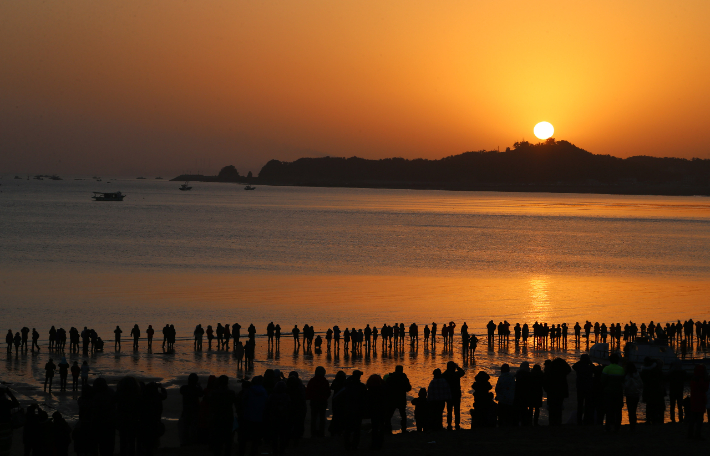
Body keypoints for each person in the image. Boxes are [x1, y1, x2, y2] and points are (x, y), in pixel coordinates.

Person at [235, 375, 265, 456]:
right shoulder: (264, 392)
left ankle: (241, 452)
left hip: (248, 417)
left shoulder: (249, 391)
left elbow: (243, 403)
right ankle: (253, 452)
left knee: (243, 438)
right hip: (259, 419)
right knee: (255, 439)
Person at [543, 358, 571, 425]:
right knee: (559, 407)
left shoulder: (550, 370)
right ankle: (558, 422)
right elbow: (569, 369)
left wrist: (546, 389)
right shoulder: (562, 372)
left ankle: (551, 422)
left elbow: (545, 381)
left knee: (551, 408)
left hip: (551, 391)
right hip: (560, 391)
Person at [601, 353, 625, 432]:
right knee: (618, 410)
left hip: (608, 392)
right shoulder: (621, 369)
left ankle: (608, 426)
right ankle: (617, 427)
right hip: (618, 392)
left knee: (608, 410)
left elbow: (603, 381)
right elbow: (623, 381)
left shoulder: (606, 369)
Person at [385, 365, 412, 433]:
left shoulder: (390, 378)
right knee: (403, 415)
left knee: (389, 415)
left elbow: (386, 388)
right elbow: (408, 388)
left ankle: (388, 428)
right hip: (401, 399)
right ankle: (404, 429)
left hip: (392, 399)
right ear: (402, 370)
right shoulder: (404, 378)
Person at [305, 366, 331, 437]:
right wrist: (325, 398)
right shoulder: (325, 381)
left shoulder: (312, 381)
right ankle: (321, 432)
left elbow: (308, 391)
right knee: (322, 418)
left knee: (314, 418)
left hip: (314, 402)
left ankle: (313, 433)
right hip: (322, 402)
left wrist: (310, 398)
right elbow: (328, 392)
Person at [180, 373, 204, 446]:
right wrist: (198, 386)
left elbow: (181, 390)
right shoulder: (196, 389)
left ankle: (185, 443)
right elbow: (201, 393)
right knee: (193, 428)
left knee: (186, 428)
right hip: (194, 411)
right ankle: (193, 442)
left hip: (186, 411)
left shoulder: (184, 388)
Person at [687, 364, 709, 439]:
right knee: (699, 419)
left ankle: (690, 434)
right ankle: (697, 434)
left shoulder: (693, 379)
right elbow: (705, 388)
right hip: (700, 400)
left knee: (693, 418)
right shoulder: (701, 379)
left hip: (694, 400)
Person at [572, 354, 595, 425]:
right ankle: (586, 419)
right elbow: (594, 369)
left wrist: (581, 361)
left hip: (580, 387)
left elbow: (574, 366)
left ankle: (579, 420)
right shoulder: (590, 367)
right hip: (588, 387)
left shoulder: (579, 366)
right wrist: (590, 362)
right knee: (588, 404)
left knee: (580, 404)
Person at [365, 374, 386, 450]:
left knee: (375, 427)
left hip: (374, 410)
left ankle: (374, 443)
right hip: (382, 410)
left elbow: (367, 401)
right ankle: (380, 443)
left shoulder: (369, 391)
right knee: (381, 426)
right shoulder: (383, 389)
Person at [442, 361, 465, 430]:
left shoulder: (445, 375)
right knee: (457, 410)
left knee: (449, 410)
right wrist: (457, 367)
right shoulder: (456, 374)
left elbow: (442, 375)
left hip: (449, 395)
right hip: (456, 394)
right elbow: (463, 372)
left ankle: (449, 424)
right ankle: (457, 424)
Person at [623, 362, 643, 430]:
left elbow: (626, 386)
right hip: (636, 395)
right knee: (634, 410)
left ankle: (632, 425)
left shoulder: (627, 376)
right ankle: (633, 424)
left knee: (630, 411)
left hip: (629, 394)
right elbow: (641, 385)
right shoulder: (637, 374)